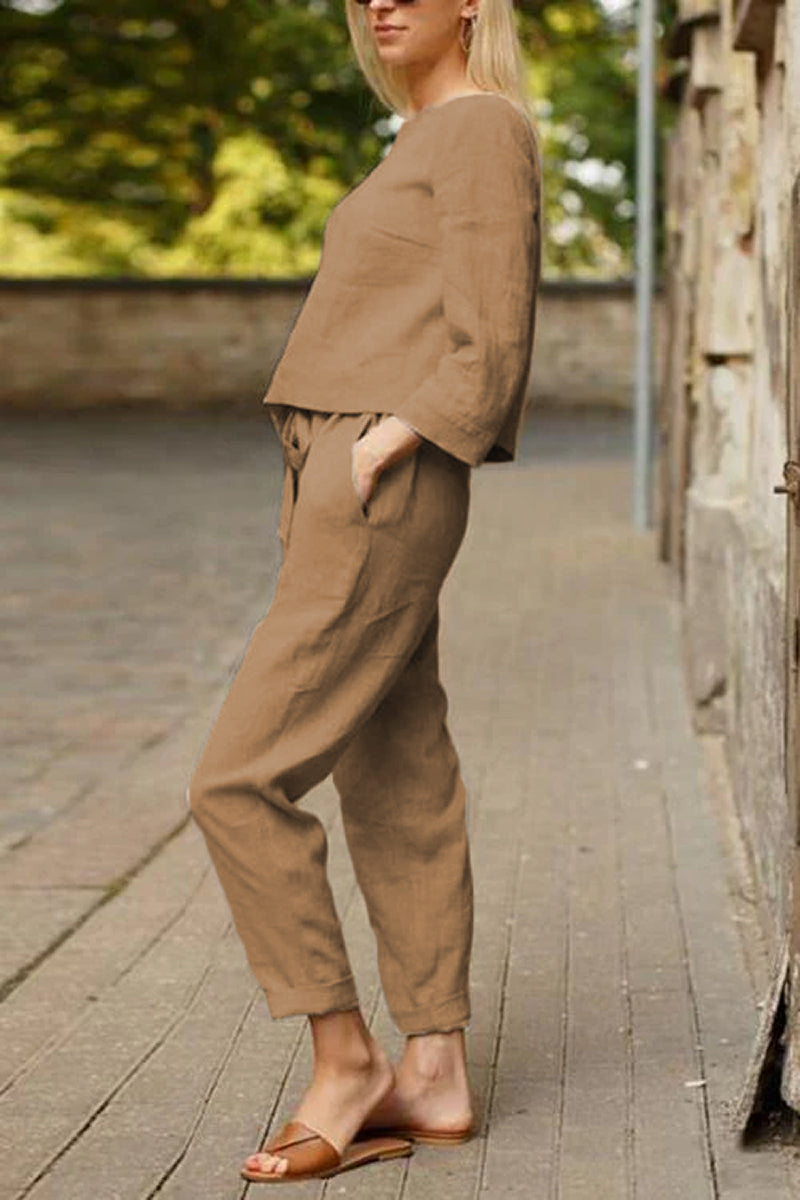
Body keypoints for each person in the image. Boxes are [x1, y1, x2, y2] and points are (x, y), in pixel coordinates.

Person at [186, 0, 542, 1184]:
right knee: (395, 768)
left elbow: (490, 331)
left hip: (381, 469)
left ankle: (346, 1059)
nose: (380, 3)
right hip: (345, 467)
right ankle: (432, 1074)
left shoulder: (481, 126)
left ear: (472, 7)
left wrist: (399, 434)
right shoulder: (421, 136)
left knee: (236, 779)